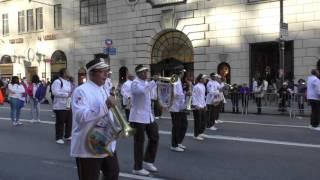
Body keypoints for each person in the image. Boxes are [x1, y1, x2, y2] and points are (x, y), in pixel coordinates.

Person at [71, 58, 119, 180]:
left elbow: (108, 115)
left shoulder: (103, 89)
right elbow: (80, 116)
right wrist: (106, 106)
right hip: (88, 146)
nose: (106, 74)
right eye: (102, 71)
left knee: (113, 173)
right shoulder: (81, 90)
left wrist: (116, 126)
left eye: (107, 71)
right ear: (92, 73)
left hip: (106, 141)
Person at [129, 64, 159, 176]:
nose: (146, 74)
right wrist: (153, 83)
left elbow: (153, 96)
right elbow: (141, 92)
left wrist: (156, 85)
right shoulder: (135, 83)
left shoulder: (147, 83)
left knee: (155, 137)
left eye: (147, 72)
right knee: (139, 143)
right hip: (137, 117)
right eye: (144, 72)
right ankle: (137, 167)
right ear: (138, 74)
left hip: (148, 115)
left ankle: (148, 160)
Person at [169, 65, 188, 152]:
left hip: (180, 106)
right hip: (175, 107)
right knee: (176, 126)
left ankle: (178, 141)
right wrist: (185, 94)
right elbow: (174, 93)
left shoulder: (179, 79)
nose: (184, 73)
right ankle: (174, 144)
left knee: (184, 125)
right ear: (180, 72)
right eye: (183, 71)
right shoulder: (174, 78)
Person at [51, 68, 72, 144]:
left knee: (69, 121)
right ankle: (58, 137)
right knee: (60, 122)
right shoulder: (57, 81)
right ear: (64, 73)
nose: (69, 73)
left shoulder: (68, 82)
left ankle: (67, 135)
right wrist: (66, 94)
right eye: (67, 71)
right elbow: (55, 92)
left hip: (68, 103)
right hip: (60, 105)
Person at [192, 74, 208, 141]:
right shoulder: (196, 86)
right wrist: (195, 105)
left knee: (203, 120)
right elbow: (194, 96)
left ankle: (200, 132)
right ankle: (196, 135)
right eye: (204, 78)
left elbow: (203, 97)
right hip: (197, 106)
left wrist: (205, 105)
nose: (205, 79)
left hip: (202, 105)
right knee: (197, 121)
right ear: (200, 79)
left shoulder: (203, 86)